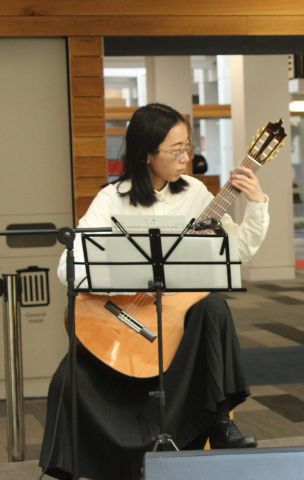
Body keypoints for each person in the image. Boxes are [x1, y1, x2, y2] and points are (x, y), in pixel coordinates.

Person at [40, 103, 269, 480]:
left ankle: (219, 422)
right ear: (147, 154)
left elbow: (238, 252)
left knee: (214, 306)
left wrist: (257, 203)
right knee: (67, 378)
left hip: (176, 331)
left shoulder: (197, 193)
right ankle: (76, 464)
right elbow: (68, 268)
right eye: (175, 149)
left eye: (188, 146)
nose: (186, 156)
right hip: (125, 324)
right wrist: (133, 276)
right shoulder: (112, 199)